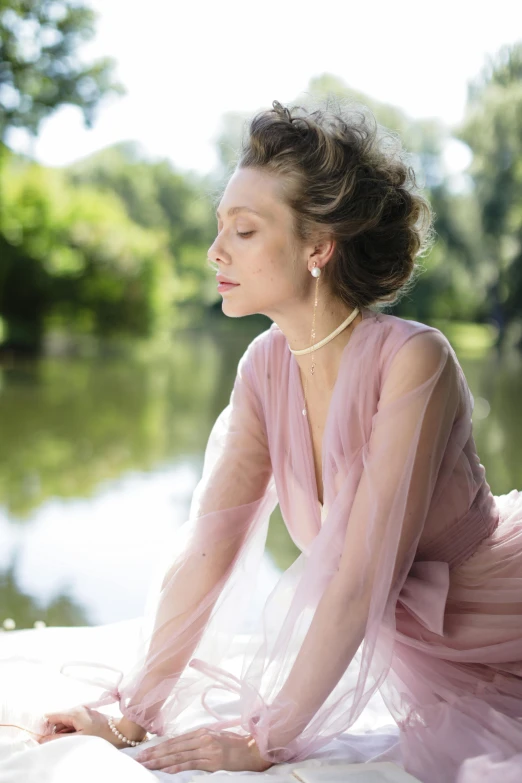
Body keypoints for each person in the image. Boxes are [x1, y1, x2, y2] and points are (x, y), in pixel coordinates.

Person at [2, 99, 522, 783]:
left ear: (318, 248)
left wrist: (266, 739)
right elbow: (208, 552)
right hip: (441, 666)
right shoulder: (264, 366)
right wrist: (133, 713)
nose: (216, 250)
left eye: (244, 230)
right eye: (221, 226)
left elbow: (357, 577)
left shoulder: (413, 360)